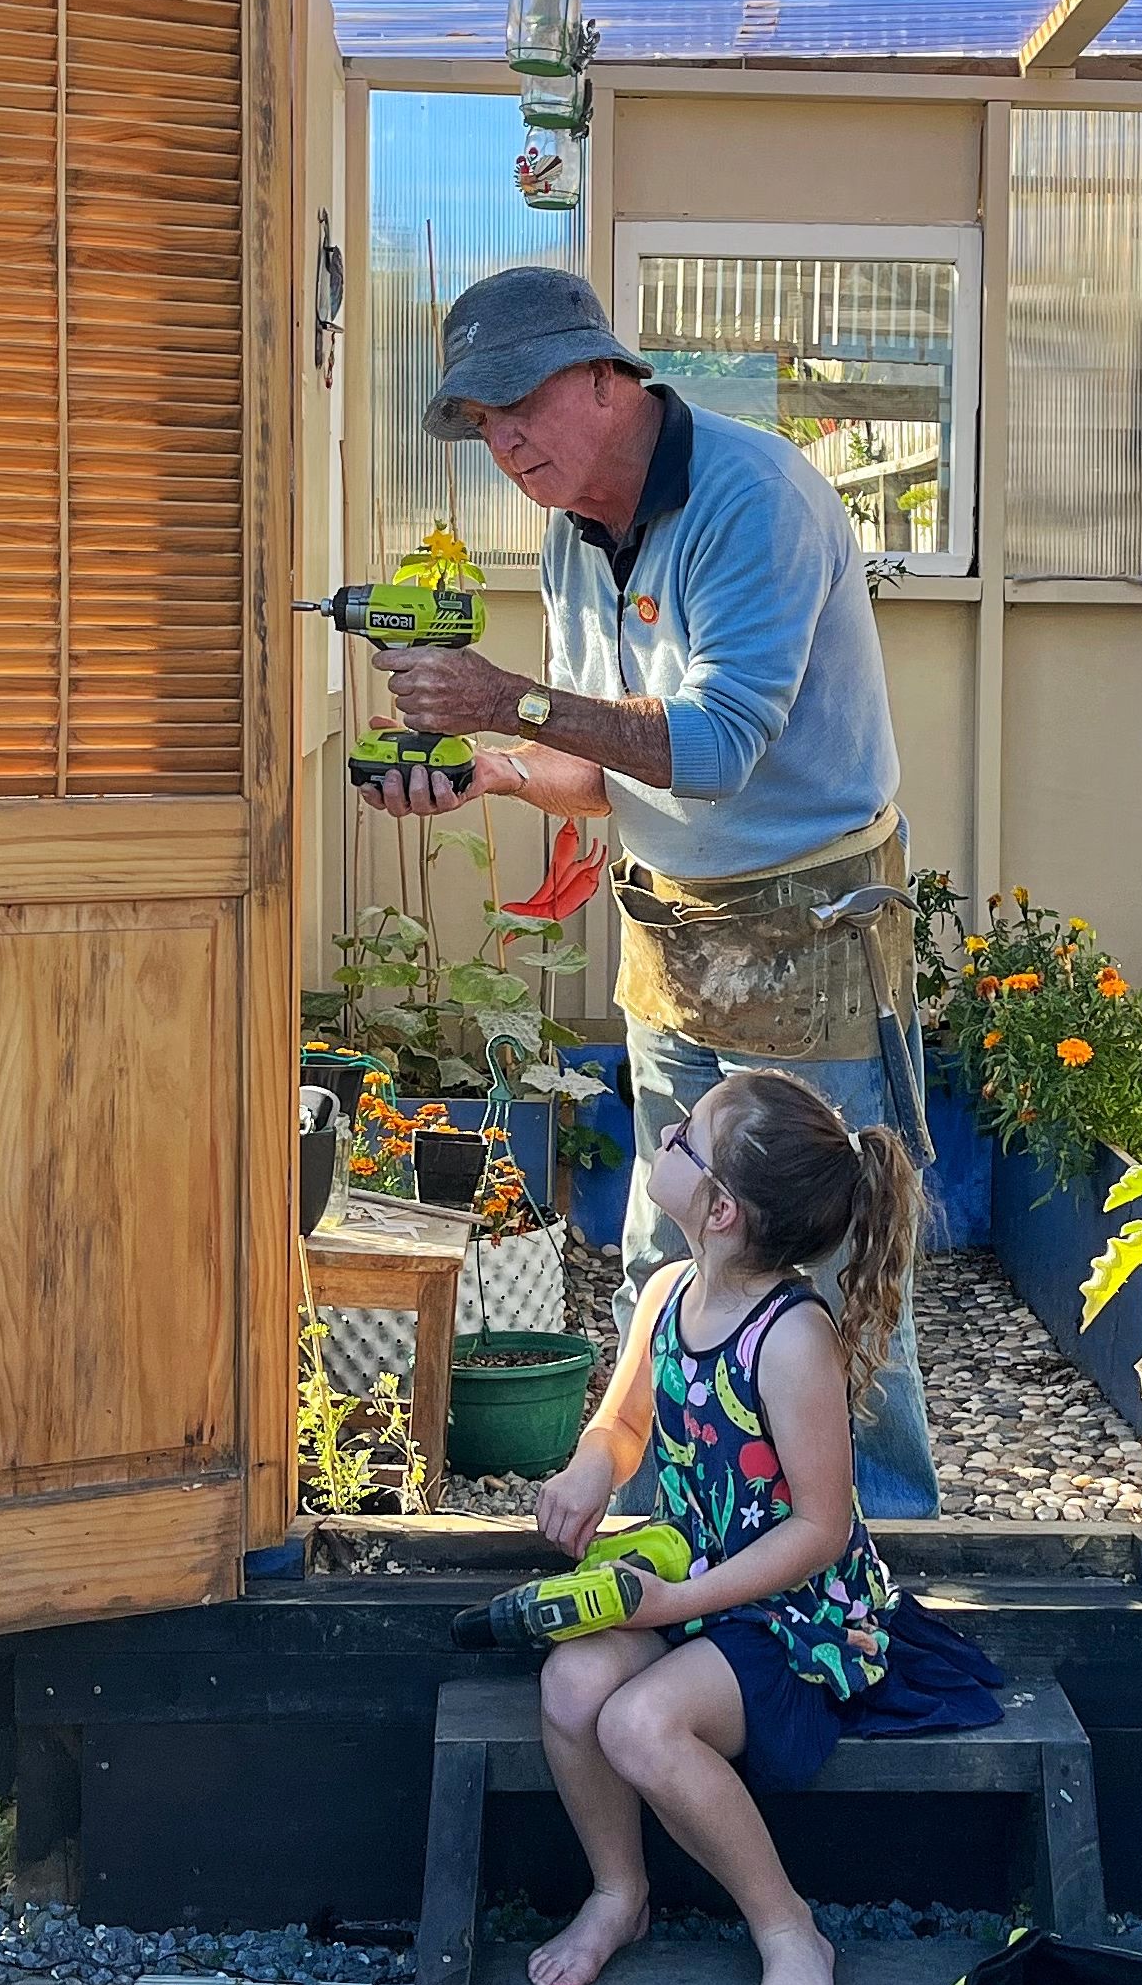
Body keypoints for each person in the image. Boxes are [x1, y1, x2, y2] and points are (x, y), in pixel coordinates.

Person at [355, 263, 938, 1517]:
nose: (502, 439)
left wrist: (503, 695)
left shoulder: (752, 496)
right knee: (670, 1259)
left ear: (612, 376)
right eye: (477, 421)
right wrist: (494, 770)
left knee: (834, 1266)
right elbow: (598, 757)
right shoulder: (576, 537)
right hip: (674, 933)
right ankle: (674, 1523)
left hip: (817, 934)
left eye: (520, 400)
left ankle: (876, 1552)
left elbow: (717, 748)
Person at [515, 1070, 1000, 1985]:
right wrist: (587, 1473)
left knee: (643, 1726)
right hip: (691, 1586)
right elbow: (625, 1423)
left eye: (687, 1134)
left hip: (794, 1610)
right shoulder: (666, 1291)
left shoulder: (789, 1338)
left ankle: (787, 1927)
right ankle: (621, 1892)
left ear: (722, 1208)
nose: (671, 1131)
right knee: (572, 1686)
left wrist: (672, 1603)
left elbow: (819, 1530)